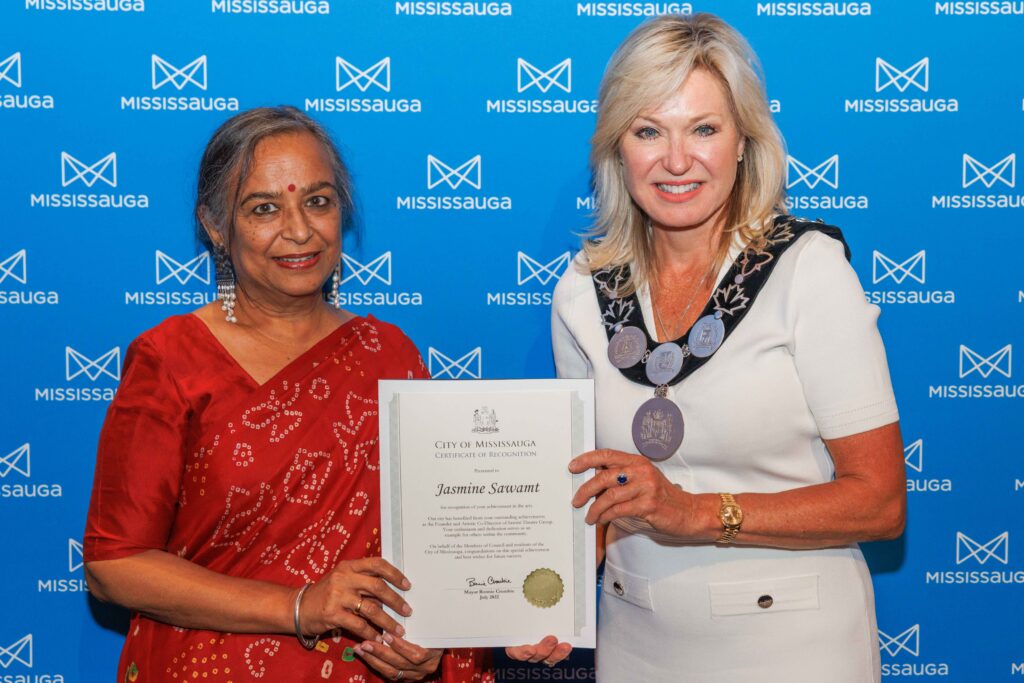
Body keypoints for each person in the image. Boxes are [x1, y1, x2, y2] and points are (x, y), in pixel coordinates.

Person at [509, 13, 905, 682]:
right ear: (617, 148)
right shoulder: (580, 290)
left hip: (794, 646)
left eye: (703, 129)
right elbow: (590, 496)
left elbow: (880, 502)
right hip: (636, 641)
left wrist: (694, 513)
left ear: (744, 141)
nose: (676, 160)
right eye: (648, 131)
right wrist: (546, 594)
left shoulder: (807, 270)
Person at [83, 107, 491, 683]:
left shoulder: (388, 355)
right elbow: (114, 564)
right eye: (264, 208)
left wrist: (429, 645)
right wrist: (300, 605)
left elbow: (437, 533)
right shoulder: (172, 360)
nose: (299, 231)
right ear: (215, 225)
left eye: (318, 201)